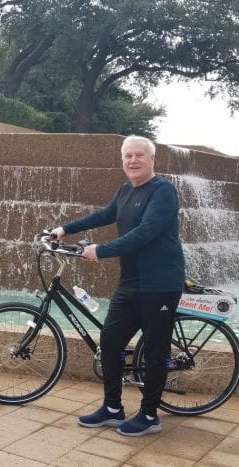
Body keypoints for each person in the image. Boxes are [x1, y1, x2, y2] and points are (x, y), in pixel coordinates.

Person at [51, 135, 185, 437]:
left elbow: (146, 232)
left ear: (151, 159)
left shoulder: (163, 191)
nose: (133, 161)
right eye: (128, 156)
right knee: (110, 341)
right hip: (131, 281)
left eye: (139, 155)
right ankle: (112, 408)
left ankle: (150, 415)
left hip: (160, 282)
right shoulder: (126, 190)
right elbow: (103, 215)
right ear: (122, 160)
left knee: (154, 350)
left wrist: (102, 250)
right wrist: (64, 229)